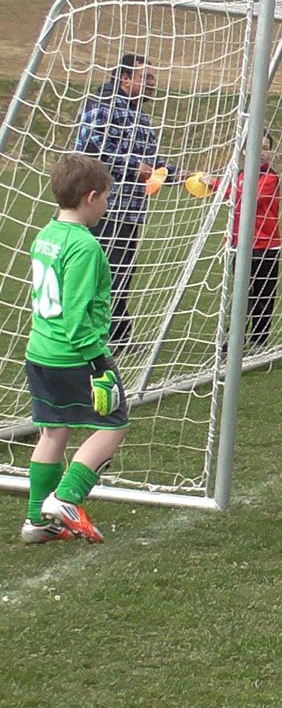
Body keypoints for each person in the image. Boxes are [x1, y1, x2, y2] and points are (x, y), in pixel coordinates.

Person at [21, 154, 131, 545]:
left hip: (40, 352)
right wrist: (99, 364)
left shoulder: (46, 234)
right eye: (106, 199)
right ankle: (66, 499)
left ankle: (37, 521)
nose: (107, 206)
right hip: (74, 355)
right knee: (113, 423)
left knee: (53, 432)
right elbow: (77, 314)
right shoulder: (84, 246)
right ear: (90, 197)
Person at [74, 53, 177, 353]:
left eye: (153, 77)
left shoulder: (142, 118)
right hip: (101, 208)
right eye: (146, 77)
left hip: (131, 210)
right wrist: (133, 167)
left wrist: (179, 174)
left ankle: (119, 336)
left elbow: (152, 164)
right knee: (100, 272)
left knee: (121, 272)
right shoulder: (101, 106)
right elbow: (92, 148)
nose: (153, 82)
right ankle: (93, 336)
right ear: (125, 79)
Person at [211, 131, 282, 350]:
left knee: (262, 295)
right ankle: (235, 339)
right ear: (244, 151)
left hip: (265, 247)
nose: (262, 152)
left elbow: (249, 198)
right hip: (240, 246)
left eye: (266, 148)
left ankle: (259, 340)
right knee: (242, 294)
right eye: (256, 147)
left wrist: (215, 184)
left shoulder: (269, 178)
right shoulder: (239, 175)